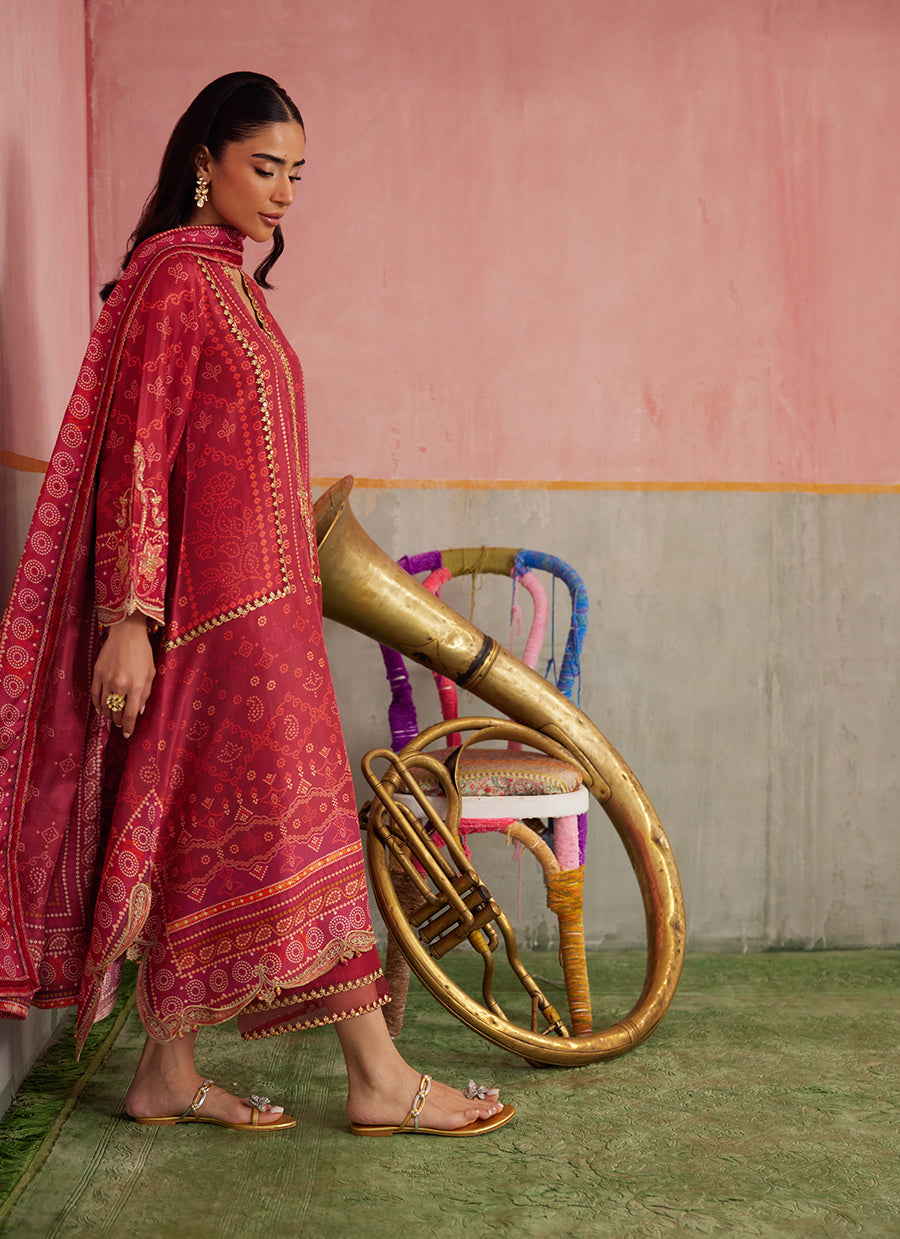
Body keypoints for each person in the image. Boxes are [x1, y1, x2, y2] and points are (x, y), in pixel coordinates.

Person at [0, 72, 513, 1138]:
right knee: (299, 827)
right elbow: (140, 453)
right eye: (263, 167)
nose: (282, 193)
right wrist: (130, 620)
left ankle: (166, 1073)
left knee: (195, 834)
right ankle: (377, 1077)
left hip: (264, 620)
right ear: (207, 161)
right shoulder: (177, 282)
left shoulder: (232, 284)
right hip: (205, 626)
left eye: (295, 173)